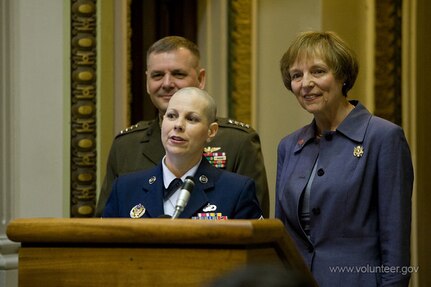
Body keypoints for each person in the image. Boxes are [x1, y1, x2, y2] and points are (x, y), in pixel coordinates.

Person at [276, 31, 413, 287]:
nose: (305, 83)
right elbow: (283, 237)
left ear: (342, 76)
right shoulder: (288, 146)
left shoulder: (383, 138)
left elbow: (396, 242)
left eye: (317, 71)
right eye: (297, 75)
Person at [96, 36, 269, 217]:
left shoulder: (238, 141)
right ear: (147, 82)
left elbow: (253, 225)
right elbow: (105, 228)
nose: (167, 83)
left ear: (201, 79)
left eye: (178, 74)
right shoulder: (126, 145)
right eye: (157, 75)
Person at [102, 87, 263, 219]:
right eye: (171, 116)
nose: (178, 125)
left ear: (211, 132)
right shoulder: (125, 189)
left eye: (192, 119)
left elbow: (253, 255)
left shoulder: (236, 191)